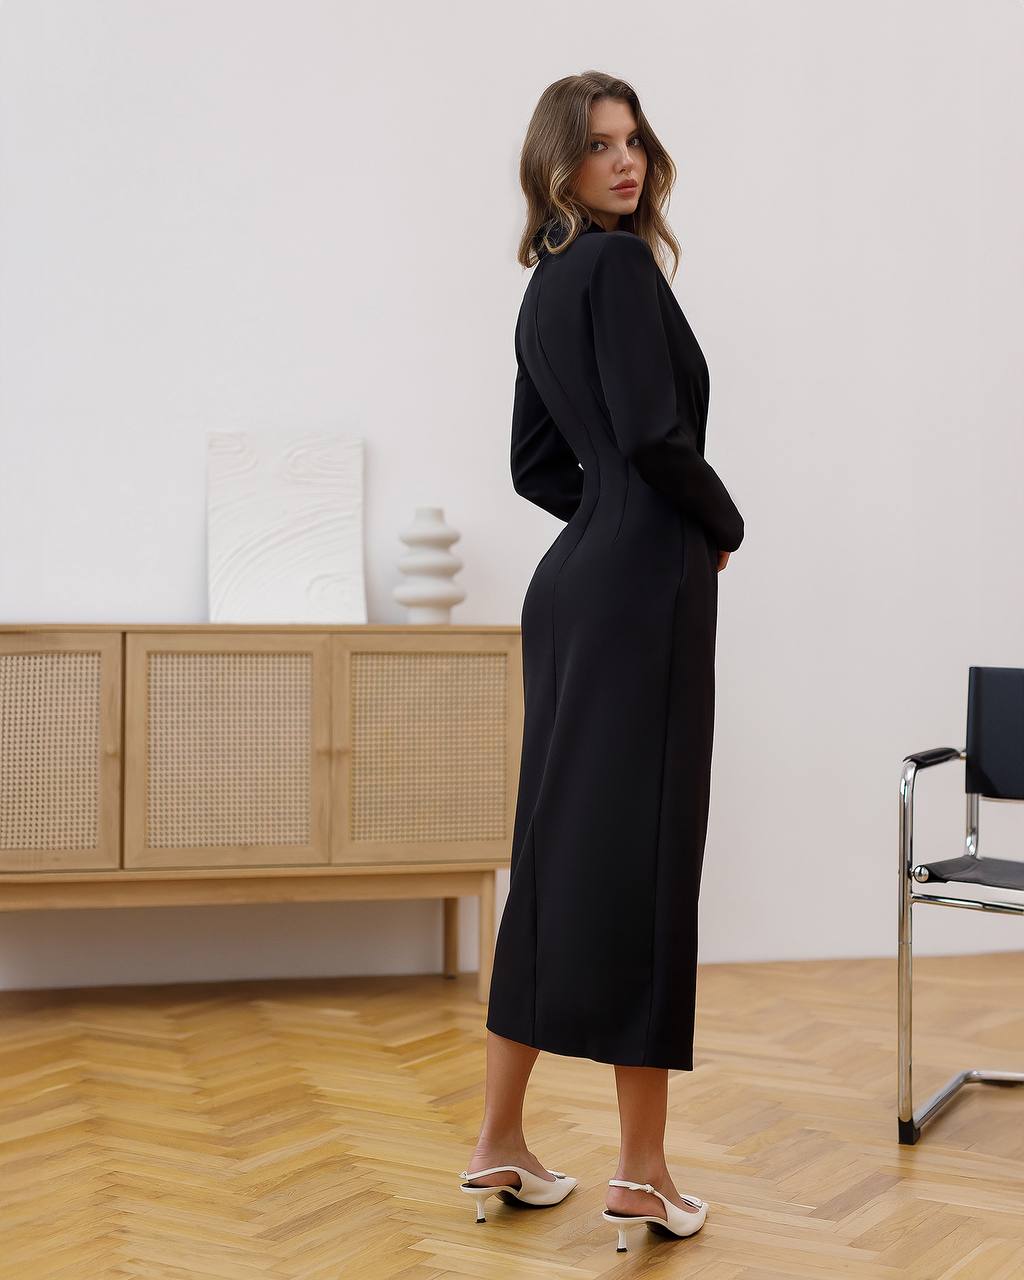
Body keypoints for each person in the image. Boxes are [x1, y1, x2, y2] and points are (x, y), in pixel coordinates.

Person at [458, 71, 744, 1252]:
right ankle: (641, 1169)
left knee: (556, 850)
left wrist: (610, 511)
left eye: (632, 142)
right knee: (645, 857)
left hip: (571, 586)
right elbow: (645, 431)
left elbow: (536, 464)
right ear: (557, 163)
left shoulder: (544, 285)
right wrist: (712, 522)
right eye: (598, 147)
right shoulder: (623, 271)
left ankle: (499, 1142)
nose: (624, 163)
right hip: (642, 589)